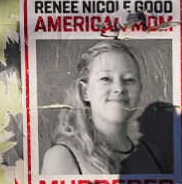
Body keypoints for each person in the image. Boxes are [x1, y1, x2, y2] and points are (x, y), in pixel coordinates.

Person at [40, 41, 166, 175]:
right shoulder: (62, 157)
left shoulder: (153, 155)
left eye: (129, 80)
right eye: (106, 78)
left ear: (140, 89)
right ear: (85, 91)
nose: (119, 88)